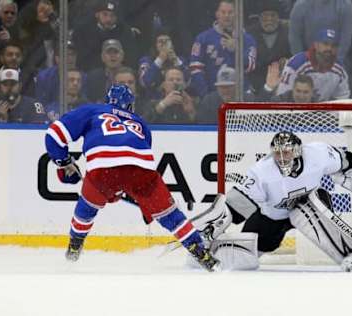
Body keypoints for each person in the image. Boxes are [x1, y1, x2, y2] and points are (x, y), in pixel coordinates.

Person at [44, 83, 220, 271]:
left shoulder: (93, 110)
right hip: (142, 168)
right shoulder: (140, 123)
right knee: (171, 216)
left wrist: (63, 161)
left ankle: (74, 246)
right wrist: (128, 192)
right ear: (130, 105)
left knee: (86, 208)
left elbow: (54, 134)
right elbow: (133, 164)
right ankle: (200, 251)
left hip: (103, 168)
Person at [193, 131, 352, 271]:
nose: (281, 158)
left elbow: (347, 161)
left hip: (312, 205)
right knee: (247, 255)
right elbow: (234, 207)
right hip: (273, 217)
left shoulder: (318, 154)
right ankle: (198, 253)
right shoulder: (261, 172)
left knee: (304, 209)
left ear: (297, 151)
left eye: (286, 153)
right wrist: (211, 230)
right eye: (277, 153)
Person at [189, 0, 256, 98]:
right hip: (212, 95)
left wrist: (235, 51)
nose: (227, 15)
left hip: (241, 95)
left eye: (230, 12)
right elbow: (195, 68)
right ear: (217, 14)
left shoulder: (247, 39)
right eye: (223, 12)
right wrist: (206, 95)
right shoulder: (203, 38)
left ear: (237, 14)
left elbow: (250, 66)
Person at [277, 28, 350, 101]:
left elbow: (342, 99)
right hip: (294, 109)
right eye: (325, 44)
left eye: (334, 45)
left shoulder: (340, 69)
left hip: (324, 110)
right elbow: (282, 96)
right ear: (316, 45)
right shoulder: (297, 63)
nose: (329, 48)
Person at [73, 0, 139, 72]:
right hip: (91, 72)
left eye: (112, 15)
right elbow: (82, 57)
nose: (108, 19)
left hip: (120, 73)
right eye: (105, 14)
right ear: (97, 14)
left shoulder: (124, 31)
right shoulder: (83, 31)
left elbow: (130, 57)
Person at [288, 0, 352, 62]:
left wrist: (335, 63)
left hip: (336, 59)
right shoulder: (300, 5)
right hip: (307, 58)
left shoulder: (345, 5)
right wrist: (301, 61)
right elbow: (294, 37)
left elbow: (346, 38)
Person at [247, 0, 291, 94]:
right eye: (265, 15)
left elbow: (293, 56)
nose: (269, 19)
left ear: (278, 17)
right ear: (259, 17)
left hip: (282, 84)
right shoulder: (250, 34)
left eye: (273, 15)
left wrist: (287, 61)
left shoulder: (288, 33)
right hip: (256, 85)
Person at [138, 28, 187, 99]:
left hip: (179, 97)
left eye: (167, 41)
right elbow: (145, 82)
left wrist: (176, 61)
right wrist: (160, 59)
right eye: (160, 41)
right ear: (155, 45)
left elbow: (188, 81)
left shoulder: (181, 60)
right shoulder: (146, 61)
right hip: (154, 100)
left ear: (172, 44)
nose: (164, 44)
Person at [86, 39, 125, 103]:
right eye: (109, 53)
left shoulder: (131, 76)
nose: (112, 56)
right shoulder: (93, 77)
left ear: (122, 56)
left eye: (116, 52)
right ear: (102, 57)